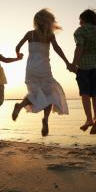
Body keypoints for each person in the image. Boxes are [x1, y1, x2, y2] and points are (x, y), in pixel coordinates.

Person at [12, 8, 69, 136]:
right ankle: (45, 119)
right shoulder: (49, 35)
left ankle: (20, 106)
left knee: (34, 92)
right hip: (44, 68)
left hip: (31, 68)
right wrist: (67, 62)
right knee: (49, 94)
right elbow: (57, 49)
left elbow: (17, 47)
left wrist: (18, 55)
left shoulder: (30, 34)